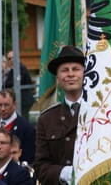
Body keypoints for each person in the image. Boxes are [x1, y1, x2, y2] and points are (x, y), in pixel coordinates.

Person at [34, 45, 85, 184]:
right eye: (64, 70)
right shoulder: (46, 119)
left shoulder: (100, 112)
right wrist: (63, 173)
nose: (70, 74)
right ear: (57, 78)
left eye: (76, 69)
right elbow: (40, 166)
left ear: (85, 74)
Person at [0, 89, 35, 164]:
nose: (3, 109)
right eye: (0, 105)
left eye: (6, 105)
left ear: (14, 105)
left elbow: (29, 160)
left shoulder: (26, 128)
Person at [4, 50, 34, 117]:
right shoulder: (13, 69)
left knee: (22, 120)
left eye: (13, 57)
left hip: (24, 99)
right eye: (9, 58)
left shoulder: (20, 68)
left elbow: (13, 82)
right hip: (20, 99)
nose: (12, 60)